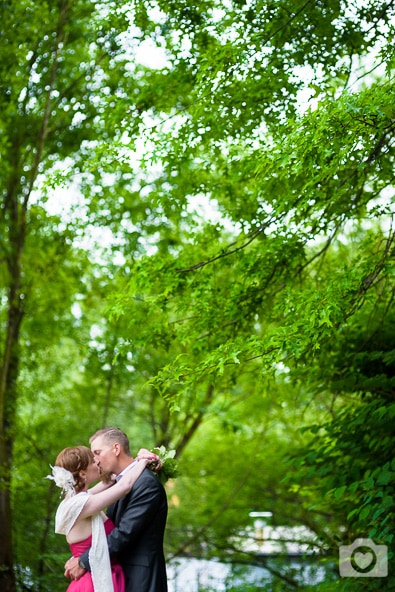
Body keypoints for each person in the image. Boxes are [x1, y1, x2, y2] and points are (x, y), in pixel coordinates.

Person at [65, 427, 168, 592]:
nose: (96, 460)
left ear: (116, 449)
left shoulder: (146, 484)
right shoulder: (117, 484)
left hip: (140, 579)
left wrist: (84, 561)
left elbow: (124, 534)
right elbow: (104, 531)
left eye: (98, 453)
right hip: (117, 575)